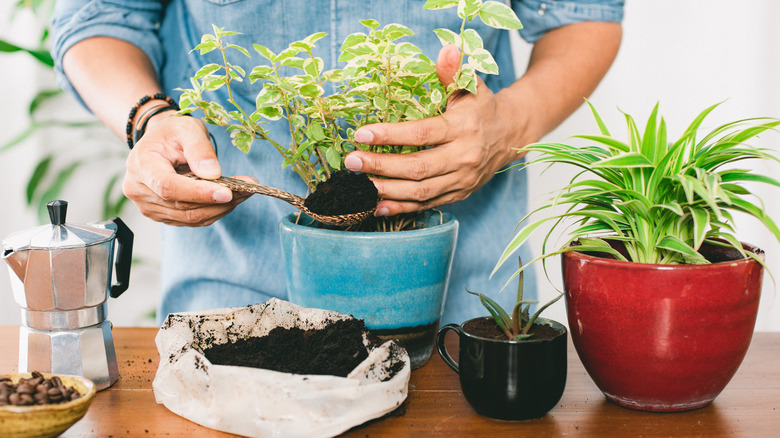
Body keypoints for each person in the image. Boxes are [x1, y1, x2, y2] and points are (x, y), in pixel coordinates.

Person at [51, 0, 624, 325]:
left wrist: (510, 127)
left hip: (462, 300)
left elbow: (581, 13)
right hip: (236, 297)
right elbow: (99, 16)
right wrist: (149, 119)